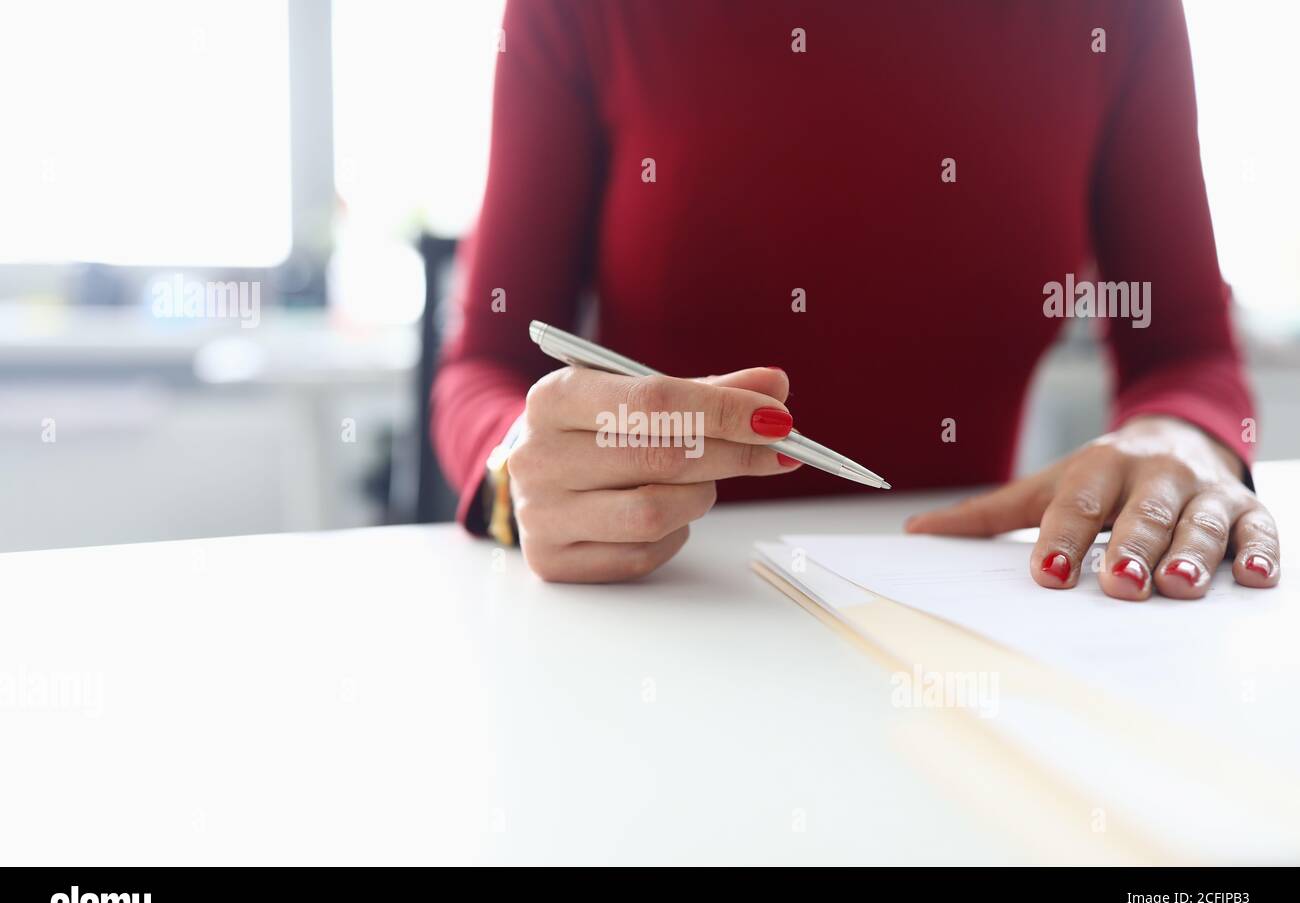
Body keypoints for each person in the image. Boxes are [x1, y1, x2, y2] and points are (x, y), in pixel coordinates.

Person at [432, 0, 1280, 596]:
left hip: (958, 634)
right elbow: (485, 365)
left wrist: (1185, 441)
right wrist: (518, 475)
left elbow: (1187, 351)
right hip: (660, 617)